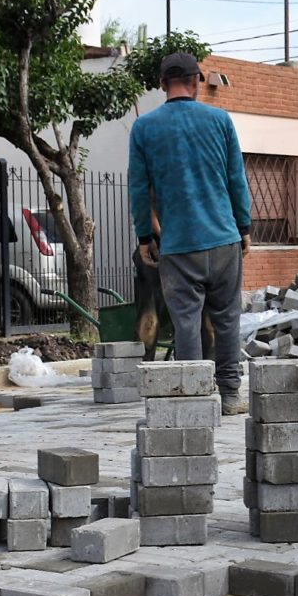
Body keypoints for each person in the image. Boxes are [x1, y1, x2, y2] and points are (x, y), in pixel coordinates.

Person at [128, 52, 252, 415]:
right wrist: (244, 227)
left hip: (178, 246)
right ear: (197, 80)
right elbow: (236, 179)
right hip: (223, 239)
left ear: (162, 84)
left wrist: (145, 238)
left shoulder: (144, 128)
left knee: (186, 323)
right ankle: (230, 395)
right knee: (227, 320)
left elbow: (139, 189)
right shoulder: (220, 120)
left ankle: (195, 400)